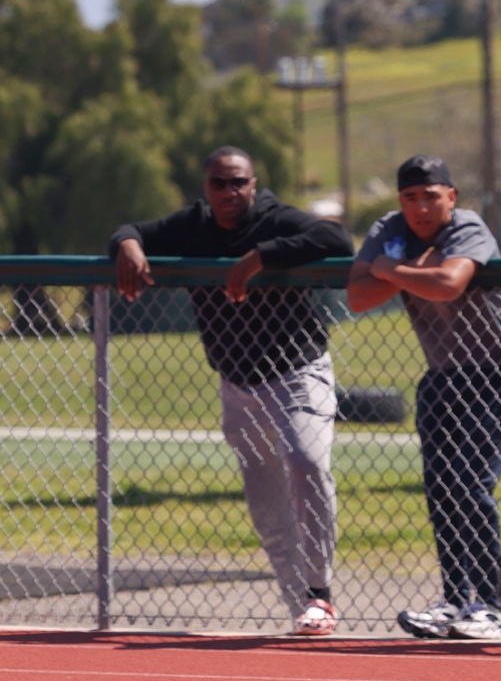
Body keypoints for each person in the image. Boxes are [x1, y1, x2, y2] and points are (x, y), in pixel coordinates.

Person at [109, 146, 353, 636]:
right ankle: (302, 607)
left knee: (306, 465)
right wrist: (128, 246)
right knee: (265, 503)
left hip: (296, 371)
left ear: (254, 183)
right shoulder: (194, 223)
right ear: (206, 188)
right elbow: (128, 229)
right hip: (236, 383)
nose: (229, 192)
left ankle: (319, 592)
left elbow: (335, 237)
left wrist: (259, 257)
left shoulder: (273, 217)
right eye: (219, 183)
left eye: (238, 182)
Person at [347, 154, 501, 642]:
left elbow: (449, 283)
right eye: (410, 197)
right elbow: (358, 297)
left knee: (471, 487)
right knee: (441, 490)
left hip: (495, 373)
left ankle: (491, 609)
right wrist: (408, 267)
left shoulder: (467, 227)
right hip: (442, 375)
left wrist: (388, 268)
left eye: (431, 195)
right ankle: (455, 600)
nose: (421, 206)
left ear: (451, 196)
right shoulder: (390, 228)